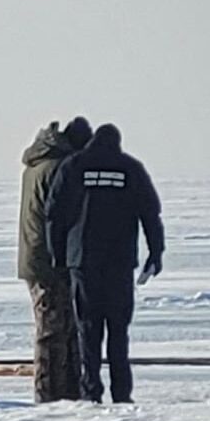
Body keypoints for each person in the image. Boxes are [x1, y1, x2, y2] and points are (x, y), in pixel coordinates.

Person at [45, 123, 164, 403]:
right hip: (119, 262)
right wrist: (155, 253)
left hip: (83, 261)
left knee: (88, 328)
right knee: (118, 329)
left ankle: (91, 390)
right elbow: (151, 213)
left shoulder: (74, 166)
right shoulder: (130, 168)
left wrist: (58, 255)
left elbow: (53, 214)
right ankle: (122, 392)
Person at [18, 117, 92, 403]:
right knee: (53, 329)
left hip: (39, 258)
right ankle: (49, 395)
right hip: (48, 261)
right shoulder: (61, 168)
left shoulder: (38, 165)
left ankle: (65, 392)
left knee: (62, 326)